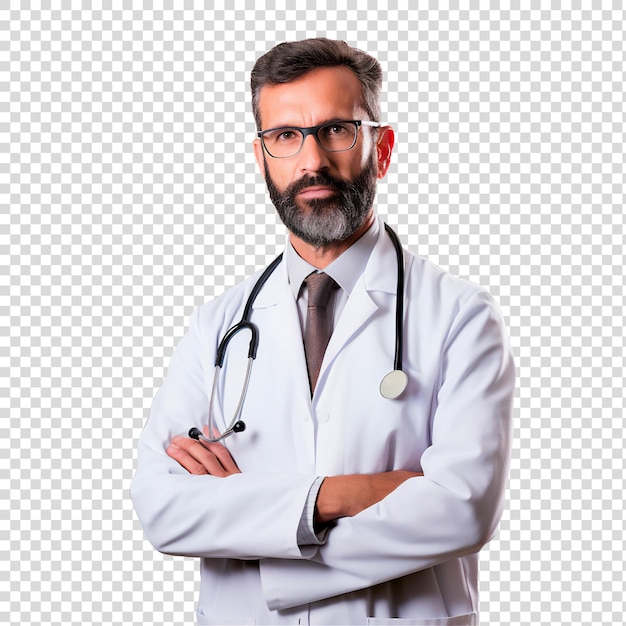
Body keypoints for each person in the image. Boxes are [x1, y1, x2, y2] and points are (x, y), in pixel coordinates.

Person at [131, 38, 515, 626]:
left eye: (336, 129)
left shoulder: (459, 316)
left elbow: (462, 510)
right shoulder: (218, 324)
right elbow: (162, 508)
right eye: (285, 136)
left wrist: (256, 536)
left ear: (380, 149)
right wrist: (338, 496)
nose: (311, 161)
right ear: (261, 157)